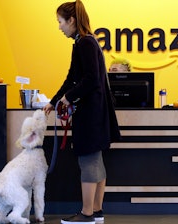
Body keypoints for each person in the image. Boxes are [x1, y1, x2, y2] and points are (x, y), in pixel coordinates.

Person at [43, 1, 120, 223]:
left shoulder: (85, 43)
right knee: (96, 162)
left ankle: (86, 214)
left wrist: (68, 98)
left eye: (60, 22)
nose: (59, 27)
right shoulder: (84, 43)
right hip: (95, 113)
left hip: (91, 115)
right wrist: (54, 100)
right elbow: (71, 78)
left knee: (88, 162)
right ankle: (96, 211)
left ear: (72, 21)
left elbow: (90, 80)